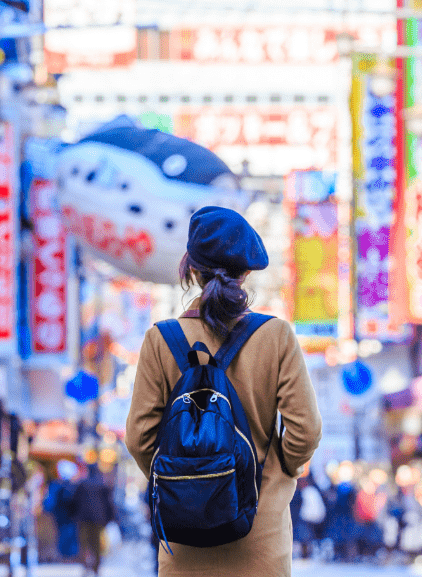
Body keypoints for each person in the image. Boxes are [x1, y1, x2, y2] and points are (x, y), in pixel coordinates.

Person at [125, 206, 322, 577]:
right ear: (246, 274)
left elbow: (139, 438)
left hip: (184, 543)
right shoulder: (276, 337)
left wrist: (182, 476)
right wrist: (278, 474)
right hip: (260, 541)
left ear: (191, 270)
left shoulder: (159, 341)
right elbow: (305, 430)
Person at [71, 462, 116, 576]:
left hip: (83, 518)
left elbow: (74, 500)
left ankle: (86, 567)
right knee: (96, 544)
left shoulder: (82, 484)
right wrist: (111, 518)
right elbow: (109, 503)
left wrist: (73, 515)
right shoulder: (102, 484)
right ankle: (96, 568)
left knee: (84, 544)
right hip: (98, 519)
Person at [43, 460, 78, 559]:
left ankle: (66, 555)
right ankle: (68, 555)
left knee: (65, 533)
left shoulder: (56, 485)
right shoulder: (72, 485)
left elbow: (49, 501)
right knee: (68, 534)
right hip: (68, 515)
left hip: (61, 514)